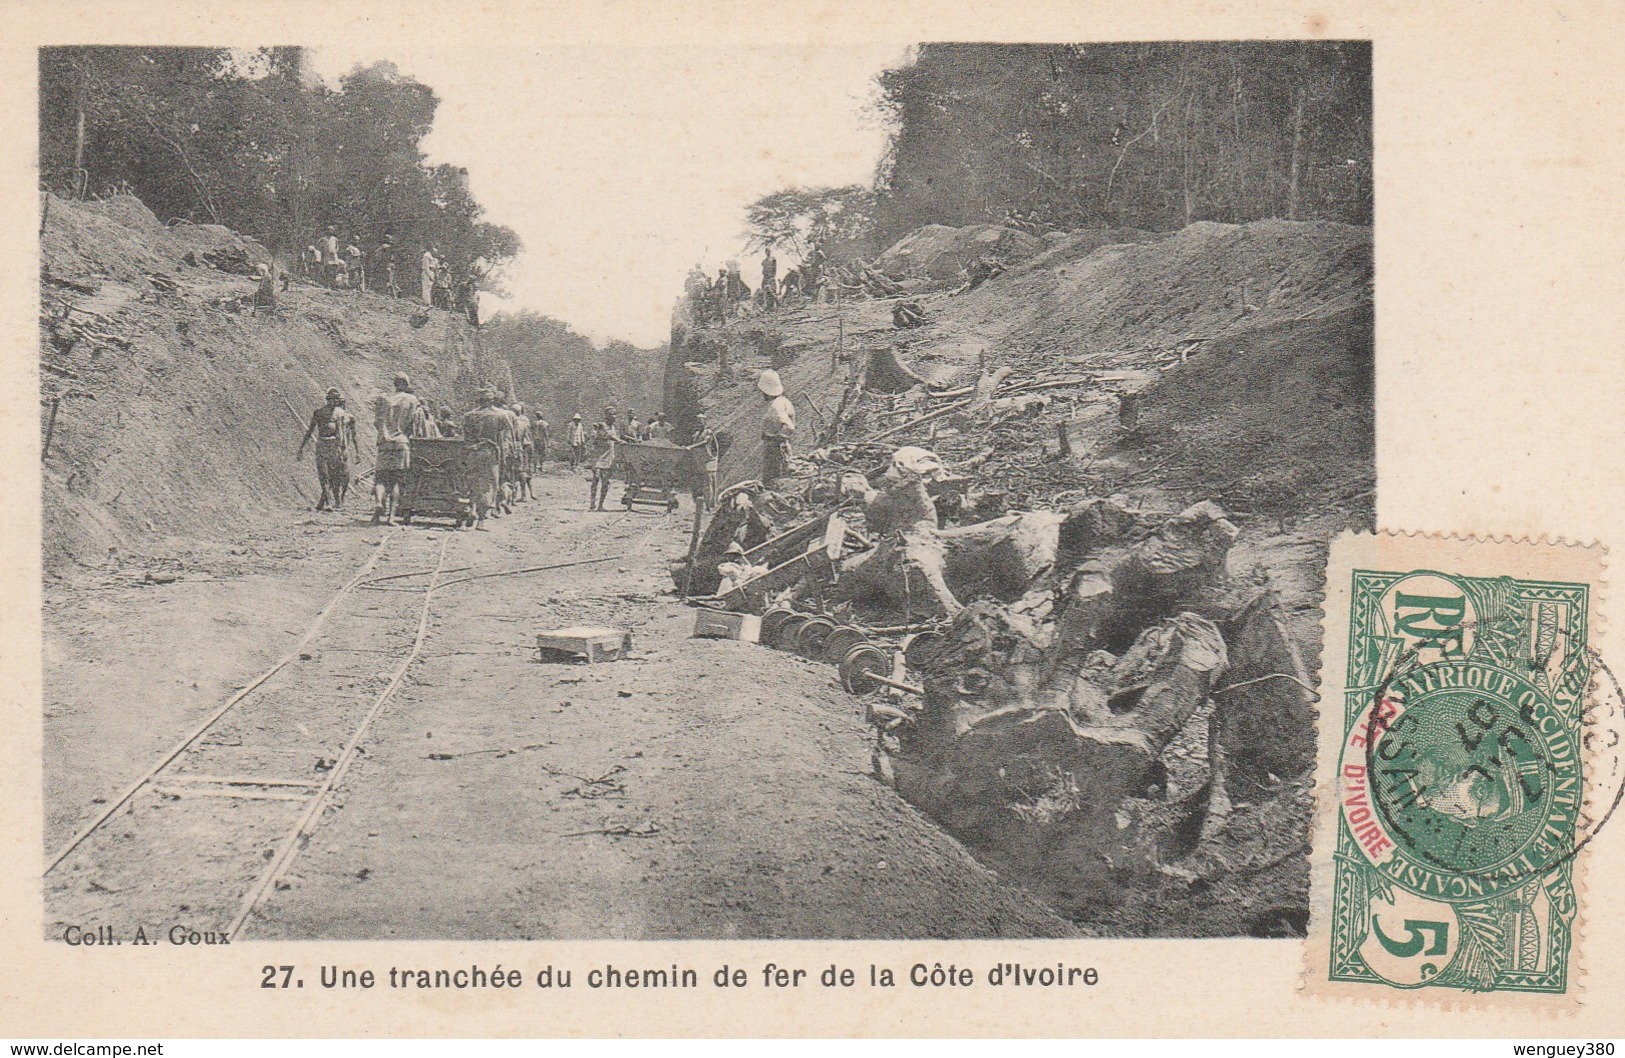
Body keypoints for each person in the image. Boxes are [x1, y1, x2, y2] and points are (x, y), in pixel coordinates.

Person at [370, 373, 427, 524]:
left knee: (381, 478)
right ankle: (391, 517)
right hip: (401, 442)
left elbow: (377, 423)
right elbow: (417, 424)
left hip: (384, 443)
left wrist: (386, 433)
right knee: (397, 481)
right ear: (406, 384)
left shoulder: (384, 399)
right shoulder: (412, 400)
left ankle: (378, 504)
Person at [295, 388, 359, 511]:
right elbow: (310, 431)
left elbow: (345, 433)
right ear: (327, 400)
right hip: (322, 445)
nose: (332, 402)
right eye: (330, 399)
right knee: (323, 474)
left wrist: (345, 449)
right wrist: (301, 448)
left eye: (335, 400)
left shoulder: (341, 414)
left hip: (335, 447)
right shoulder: (319, 413)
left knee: (334, 475)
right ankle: (328, 502)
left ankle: (331, 502)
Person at [460, 387, 511, 528]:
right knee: (489, 485)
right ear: (491, 400)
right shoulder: (499, 417)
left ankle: (472, 509)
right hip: (490, 452)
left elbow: (465, 438)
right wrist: (502, 459)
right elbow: (501, 439)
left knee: (472, 482)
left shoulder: (468, 416)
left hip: (473, 452)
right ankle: (481, 520)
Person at [757, 368, 795, 485]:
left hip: (775, 449)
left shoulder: (776, 407)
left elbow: (789, 427)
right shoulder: (784, 401)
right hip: (780, 447)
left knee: (771, 480)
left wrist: (776, 440)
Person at [692, 412, 720, 510]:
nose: (699, 424)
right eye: (697, 422)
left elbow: (705, 442)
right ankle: (702, 505)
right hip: (699, 461)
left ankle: (710, 506)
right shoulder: (695, 435)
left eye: (701, 422)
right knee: (700, 484)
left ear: (704, 423)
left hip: (709, 461)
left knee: (709, 484)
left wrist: (691, 447)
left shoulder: (708, 432)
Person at [587, 419, 616, 511]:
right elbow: (609, 436)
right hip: (598, 459)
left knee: (605, 483)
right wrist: (619, 440)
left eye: (614, 414)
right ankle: (592, 503)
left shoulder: (613, 428)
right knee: (596, 479)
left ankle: (600, 505)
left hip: (608, 459)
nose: (613, 417)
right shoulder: (602, 430)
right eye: (611, 414)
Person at [511, 401, 535, 502]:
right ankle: (529, 493)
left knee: (517, 472)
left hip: (519, 448)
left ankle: (516, 496)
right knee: (526, 470)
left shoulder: (514, 423)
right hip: (527, 447)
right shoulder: (525, 421)